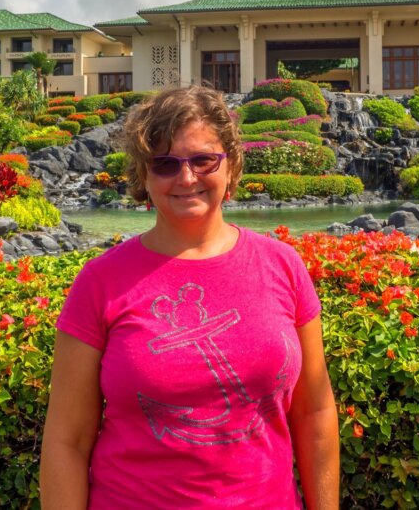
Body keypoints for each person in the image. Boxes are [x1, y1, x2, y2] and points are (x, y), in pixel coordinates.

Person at [40, 86, 339, 510]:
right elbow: (67, 441)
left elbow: (314, 413)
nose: (186, 178)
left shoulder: (284, 266)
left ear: (230, 165)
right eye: (164, 164)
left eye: (203, 160)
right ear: (143, 176)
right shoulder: (100, 282)